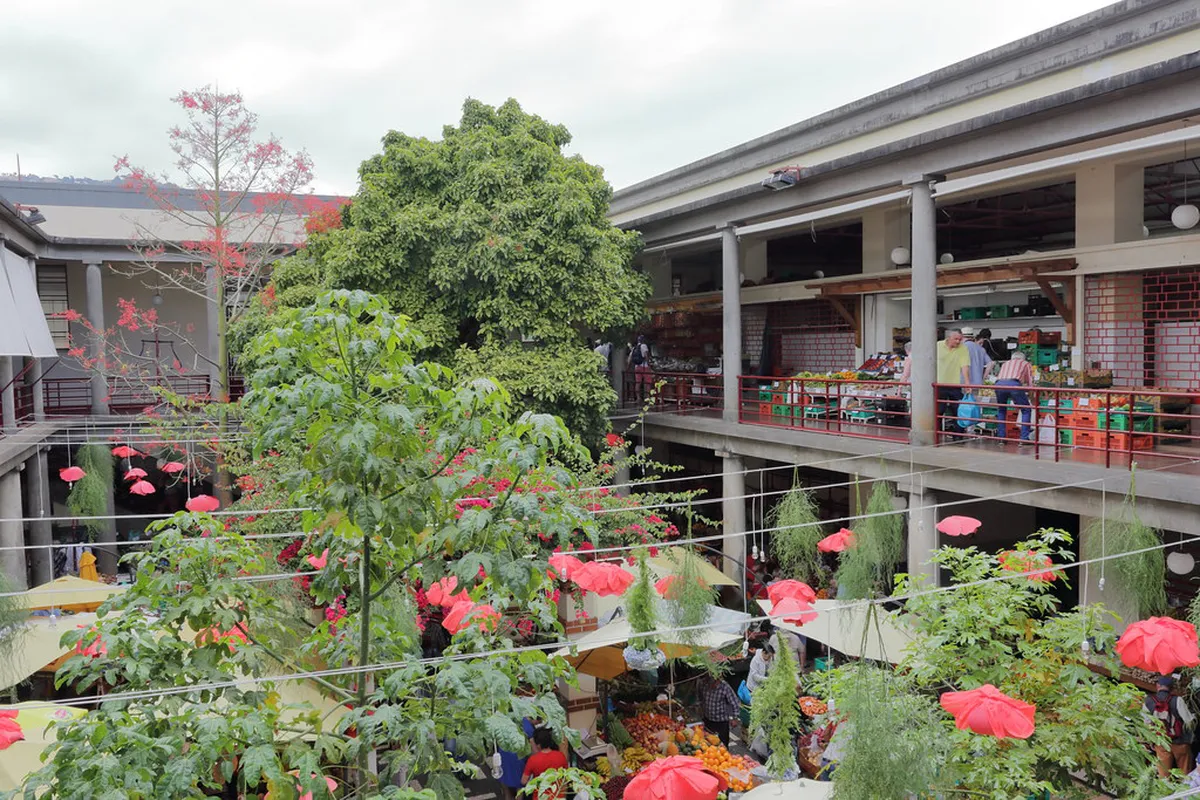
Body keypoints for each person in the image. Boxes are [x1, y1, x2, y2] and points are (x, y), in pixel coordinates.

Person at [1144, 676, 1195, 777]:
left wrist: (1151, 741)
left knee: (1163, 774)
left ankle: (1165, 786)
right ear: (1172, 688)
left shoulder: (1148, 701)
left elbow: (1146, 723)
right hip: (1180, 742)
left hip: (1161, 742)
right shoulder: (1178, 700)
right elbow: (1189, 721)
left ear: (1158, 686)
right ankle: (1184, 786)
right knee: (1184, 772)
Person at [994, 350, 1034, 444]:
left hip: (998, 384)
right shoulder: (1025, 363)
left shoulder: (1005, 363)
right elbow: (1030, 383)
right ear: (1023, 358)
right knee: (1026, 410)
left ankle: (1001, 438)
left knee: (1001, 410)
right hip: (1014, 384)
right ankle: (1024, 439)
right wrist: (1031, 395)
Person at [936, 327, 971, 431]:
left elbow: (965, 366)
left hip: (955, 384)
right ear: (948, 337)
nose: (958, 341)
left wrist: (967, 383)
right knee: (939, 410)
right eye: (956, 339)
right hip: (939, 384)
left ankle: (958, 435)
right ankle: (936, 433)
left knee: (957, 410)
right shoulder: (937, 346)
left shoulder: (963, 348)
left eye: (960, 339)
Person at [497, 718, 536, 800]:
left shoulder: (508, 719)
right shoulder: (528, 728)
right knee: (519, 786)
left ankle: (507, 797)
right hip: (517, 757)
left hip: (504, 753)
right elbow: (534, 750)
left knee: (505, 781)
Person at [699, 674, 740, 746]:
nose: (713, 685)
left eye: (715, 682)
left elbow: (734, 702)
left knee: (722, 744)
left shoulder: (725, 687)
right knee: (708, 742)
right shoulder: (703, 684)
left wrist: (734, 718)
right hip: (707, 719)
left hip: (721, 721)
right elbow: (700, 698)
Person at [627, 334, 652, 400]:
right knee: (647, 382)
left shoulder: (634, 348)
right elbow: (646, 356)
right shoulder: (644, 346)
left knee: (638, 383)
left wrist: (627, 368)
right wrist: (649, 364)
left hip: (637, 367)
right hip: (644, 366)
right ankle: (647, 397)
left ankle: (638, 397)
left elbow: (629, 358)